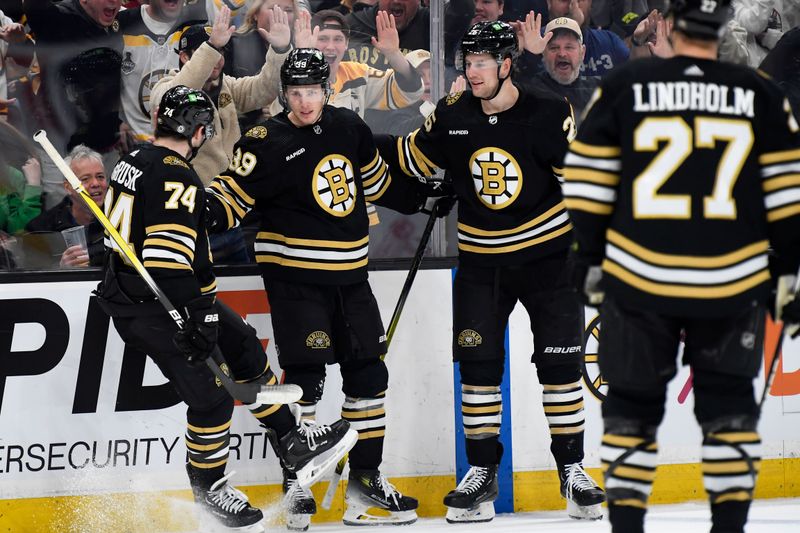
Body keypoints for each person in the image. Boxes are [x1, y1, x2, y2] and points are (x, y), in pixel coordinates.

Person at [561, 0, 800, 532]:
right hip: (730, 280)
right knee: (729, 409)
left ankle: (626, 525)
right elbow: (787, 193)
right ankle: (729, 526)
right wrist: (786, 270)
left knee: (631, 406)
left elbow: (585, 180)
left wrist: (589, 254)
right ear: (722, 30)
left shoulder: (626, 87)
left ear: (668, 25)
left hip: (641, 279)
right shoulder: (759, 94)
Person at [93, 85, 357, 532]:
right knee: (212, 400)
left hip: (158, 296)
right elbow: (165, 258)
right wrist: (192, 319)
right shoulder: (176, 174)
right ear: (198, 132)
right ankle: (210, 487)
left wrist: (201, 310)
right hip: (158, 307)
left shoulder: (131, 161)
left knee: (246, 350)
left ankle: (293, 441)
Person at [377, 21, 606, 523]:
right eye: (467, 62)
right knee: (478, 370)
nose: (471, 71)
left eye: (481, 62)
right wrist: (352, 136)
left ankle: (572, 470)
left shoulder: (549, 112)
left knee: (561, 368)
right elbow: (410, 160)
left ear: (506, 64)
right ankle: (480, 474)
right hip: (482, 263)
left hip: (549, 261)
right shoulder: (453, 115)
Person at [204, 49, 425, 529]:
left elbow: (379, 183)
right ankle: (296, 482)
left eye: (313, 92)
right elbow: (229, 195)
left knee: (369, 377)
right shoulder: (263, 139)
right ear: (284, 95)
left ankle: (365, 486)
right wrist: (191, 209)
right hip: (296, 280)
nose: (305, 103)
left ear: (327, 90)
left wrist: (422, 195)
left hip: (353, 278)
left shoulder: (350, 127)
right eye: (296, 93)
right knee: (306, 382)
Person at [150, 6, 292, 263]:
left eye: (221, 52)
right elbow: (175, 97)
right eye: (209, 52)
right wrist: (213, 45)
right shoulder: (164, 88)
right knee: (202, 295)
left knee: (239, 295)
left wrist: (280, 51)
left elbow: (264, 90)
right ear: (184, 56)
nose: (217, 60)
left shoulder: (227, 86)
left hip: (231, 211)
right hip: (192, 215)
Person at [23, 0, 124, 208]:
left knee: (111, 218)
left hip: (105, 144)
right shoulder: (56, 18)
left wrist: (123, 121)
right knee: (65, 220)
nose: (115, 1)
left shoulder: (120, 23)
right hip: (60, 147)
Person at [117, 0, 208, 149]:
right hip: (133, 144)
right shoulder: (122, 23)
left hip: (182, 143)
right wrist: (116, 121)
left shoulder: (197, 23)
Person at [26, 144, 107, 267]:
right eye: (85, 179)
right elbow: (33, 275)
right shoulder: (41, 228)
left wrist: (93, 256)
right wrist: (60, 268)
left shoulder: (121, 218)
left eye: (100, 177)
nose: (95, 183)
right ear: (68, 187)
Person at [525, 17, 600, 125]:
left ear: (582, 53)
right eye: (554, 48)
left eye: (569, 47)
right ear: (543, 53)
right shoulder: (531, 91)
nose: (562, 54)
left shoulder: (597, 90)